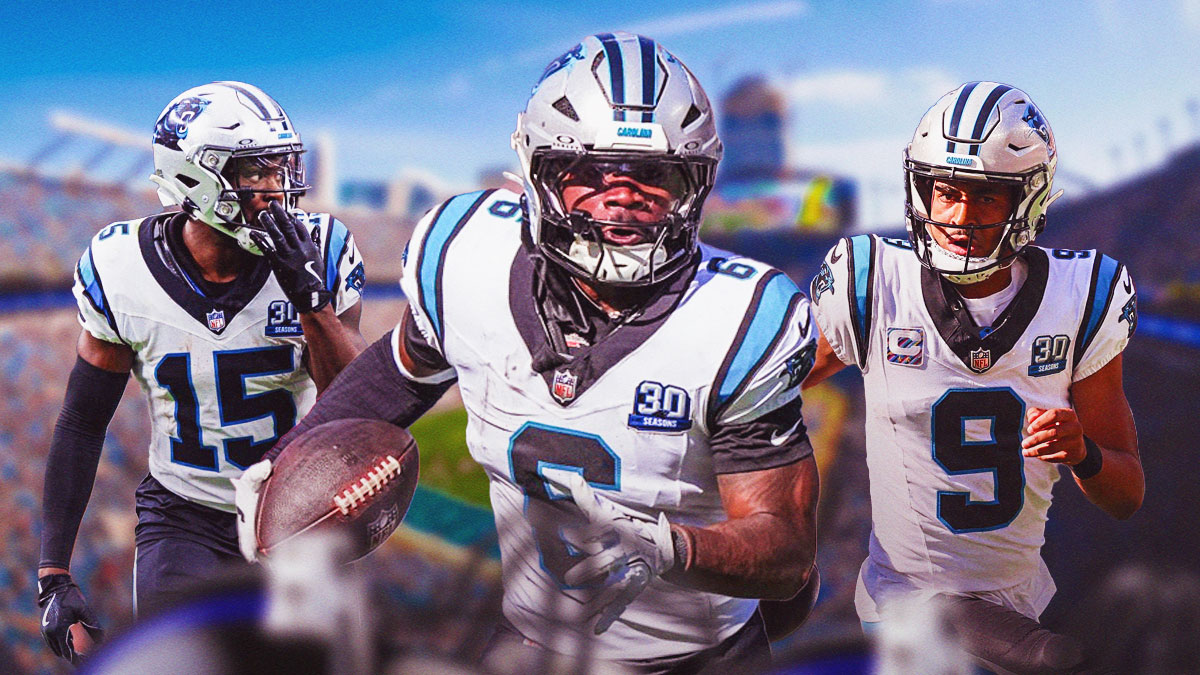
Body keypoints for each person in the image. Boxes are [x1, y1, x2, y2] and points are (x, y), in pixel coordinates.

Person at [237, 32, 820, 671]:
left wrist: (670, 549)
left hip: (699, 655)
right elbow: (399, 369)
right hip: (534, 643)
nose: (622, 196)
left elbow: (785, 551)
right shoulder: (464, 254)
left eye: (654, 175)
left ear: (695, 184)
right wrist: (290, 455)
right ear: (538, 173)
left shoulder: (738, 316)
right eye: (590, 173)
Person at [803, 81, 1144, 673]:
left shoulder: (1082, 297)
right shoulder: (875, 282)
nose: (959, 216)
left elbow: (1126, 495)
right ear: (921, 189)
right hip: (905, 606)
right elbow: (760, 385)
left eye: (986, 197)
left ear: (1027, 199)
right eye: (946, 191)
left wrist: (1082, 452)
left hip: (1018, 602)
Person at [36, 81, 367, 664]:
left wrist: (311, 300)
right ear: (196, 179)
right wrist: (53, 574)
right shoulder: (121, 268)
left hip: (297, 512)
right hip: (183, 514)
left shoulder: (323, 249)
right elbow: (82, 421)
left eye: (280, 168)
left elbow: (361, 406)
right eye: (255, 173)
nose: (276, 188)